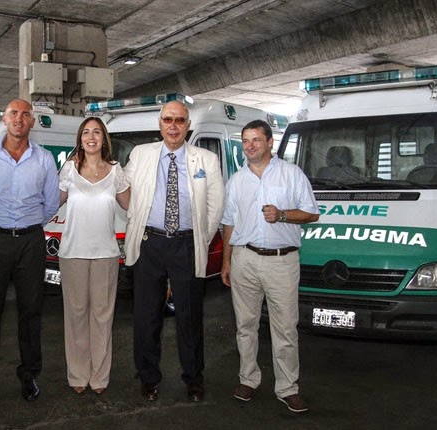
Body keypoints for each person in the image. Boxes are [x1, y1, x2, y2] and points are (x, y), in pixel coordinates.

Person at [123, 100, 224, 402]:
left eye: (180, 120)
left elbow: (215, 206)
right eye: (168, 119)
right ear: (160, 123)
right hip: (149, 244)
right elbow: (123, 188)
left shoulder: (206, 160)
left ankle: (193, 379)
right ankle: (148, 378)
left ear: (188, 125)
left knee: (189, 317)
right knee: (147, 317)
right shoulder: (141, 154)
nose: (173, 126)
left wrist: (200, 240)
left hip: (187, 245)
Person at [220, 119, 319, 414]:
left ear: (269, 142)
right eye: (245, 141)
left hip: (282, 261)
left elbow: (312, 213)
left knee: (285, 328)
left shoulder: (292, 174)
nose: (249, 146)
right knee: (245, 326)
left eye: (256, 140)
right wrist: (226, 261)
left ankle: (287, 388)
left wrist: (282, 215)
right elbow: (229, 223)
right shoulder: (237, 180)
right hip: (245, 259)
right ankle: (247, 379)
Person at [0, 99, 60, 405]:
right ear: (4, 119)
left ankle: (29, 376)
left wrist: (28, 226)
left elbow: (51, 203)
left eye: (25, 114)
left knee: (31, 312)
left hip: (31, 242)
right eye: (13, 114)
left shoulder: (44, 158)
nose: (19, 119)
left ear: (32, 121)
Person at [58, 117, 130, 395]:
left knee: (102, 316)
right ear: (80, 139)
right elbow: (50, 203)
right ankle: (78, 374)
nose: (91, 137)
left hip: (106, 255)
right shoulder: (68, 170)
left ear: (104, 139)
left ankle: (99, 377)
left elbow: (132, 205)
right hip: (72, 253)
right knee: (75, 316)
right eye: (86, 132)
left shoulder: (116, 171)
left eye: (96, 132)